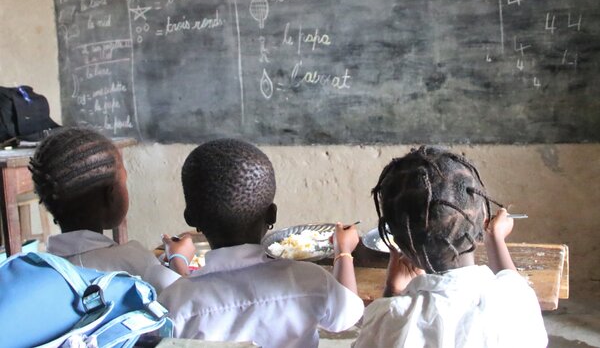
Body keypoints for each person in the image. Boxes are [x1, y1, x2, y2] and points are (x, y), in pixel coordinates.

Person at [158, 138, 364, 348]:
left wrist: (178, 261)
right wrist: (343, 252)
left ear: (191, 218)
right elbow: (348, 315)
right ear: (272, 215)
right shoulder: (310, 280)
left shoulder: (174, 304)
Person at [353, 145, 548, 348]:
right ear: (483, 220)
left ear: (399, 243)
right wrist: (495, 238)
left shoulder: (391, 316)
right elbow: (512, 281)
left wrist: (392, 291)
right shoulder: (515, 302)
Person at [29, 126, 194, 293]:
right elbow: (184, 301)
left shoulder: (37, 269)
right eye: (123, 182)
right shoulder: (134, 260)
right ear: (111, 195)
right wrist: (179, 260)